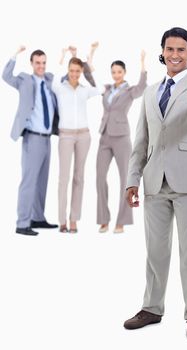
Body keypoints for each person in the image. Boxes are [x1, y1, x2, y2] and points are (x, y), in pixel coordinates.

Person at [123, 27, 187, 339]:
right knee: (155, 251)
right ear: (162, 51)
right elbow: (142, 140)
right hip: (154, 182)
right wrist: (132, 181)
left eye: (181, 49)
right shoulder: (150, 92)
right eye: (170, 49)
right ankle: (152, 308)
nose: (175, 55)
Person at [2, 46, 94, 236]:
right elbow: (5, 76)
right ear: (31, 63)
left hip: (47, 138)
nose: (41, 66)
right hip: (32, 137)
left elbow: (71, 76)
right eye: (37, 63)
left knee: (42, 180)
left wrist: (72, 56)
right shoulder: (24, 80)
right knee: (29, 180)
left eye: (44, 63)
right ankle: (22, 223)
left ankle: (37, 217)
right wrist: (14, 54)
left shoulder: (51, 79)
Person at [52, 43, 102, 233]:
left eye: (77, 71)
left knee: (79, 178)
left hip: (83, 135)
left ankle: (74, 219)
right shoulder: (60, 87)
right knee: (63, 178)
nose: (74, 74)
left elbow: (99, 87)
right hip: (65, 135)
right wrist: (64, 55)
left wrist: (89, 59)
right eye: (72, 71)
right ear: (68, 70)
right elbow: (55, 77)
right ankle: (62, 220)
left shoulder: (84, 89)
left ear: (81, 72)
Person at [96, 51, 147, 233]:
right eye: (113, 72)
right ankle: (104, 219)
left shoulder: (130, 90)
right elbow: (91, 80)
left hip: (122, 137)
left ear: (124, 72)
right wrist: (91, 55)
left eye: (119, 72)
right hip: (104, 136)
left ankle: (122, 221)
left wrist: (142, 64)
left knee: (125, 178)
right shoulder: (108, 89)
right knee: (100, 178)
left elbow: (142, 87)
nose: (116, 75)